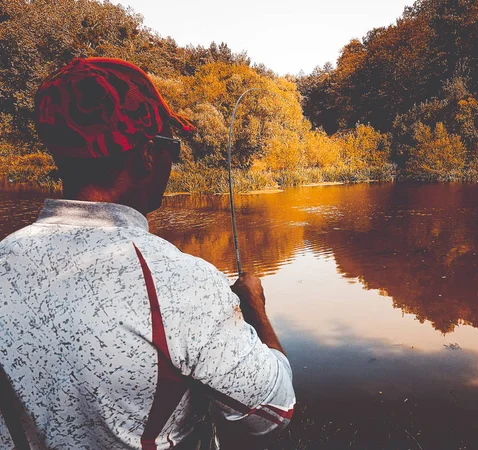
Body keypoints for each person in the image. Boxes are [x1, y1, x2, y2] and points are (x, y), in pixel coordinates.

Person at [0, 58, 295, 450]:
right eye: (171, 146)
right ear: (147, 155)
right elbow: (272, 413)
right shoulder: (183, 283)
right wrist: (254, 310)